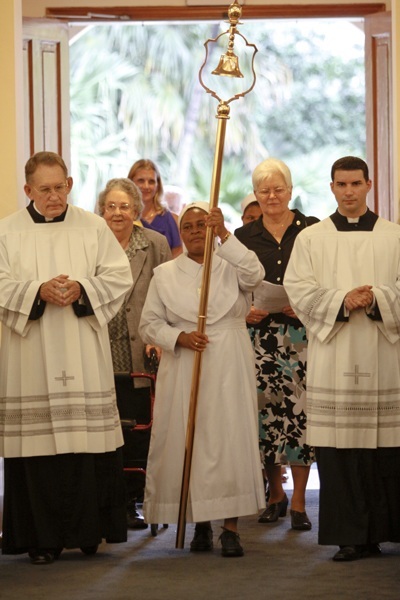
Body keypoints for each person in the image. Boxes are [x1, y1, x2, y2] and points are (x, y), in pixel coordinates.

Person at [0, 151, 133, 565]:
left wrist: (81, 289)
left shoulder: (93, 227)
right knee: (38, 452)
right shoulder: (7, 232)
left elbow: (118, 276)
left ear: (70, 185)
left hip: (81, 351)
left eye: (61, 187)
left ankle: (90, 532)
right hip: (30, 354)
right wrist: (36, 291)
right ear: (28, 190)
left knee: (86, 445)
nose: (55, 196)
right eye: (45, 189)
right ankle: (42, 539)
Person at [284, 155, 400, 561]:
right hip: (334, 355)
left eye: (356, 184)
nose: (349, 192)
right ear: (331, 188)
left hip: (383, 355)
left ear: (369, 185)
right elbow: (296, 288)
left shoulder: (393, 235)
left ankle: (383, 532)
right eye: (341, 184)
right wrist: (341, 299)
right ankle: (350, 536)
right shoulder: (312, 238)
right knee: (341, 451)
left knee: (384, 448)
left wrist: (378, 299)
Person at [139, 201, 266, 557]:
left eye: (203, 225)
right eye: (189, 227)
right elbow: (148, 324)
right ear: (181, 233)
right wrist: (178, 338)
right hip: (184, 362)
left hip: (227, 357)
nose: (196, 231)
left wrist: (225, 233)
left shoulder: (231, 263)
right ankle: (199, 523)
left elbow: (255, 276)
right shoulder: (164, 274)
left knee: (228, 439)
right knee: (188, 437)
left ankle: (230, 528)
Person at [235, 158, 318, 532]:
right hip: (259, 336)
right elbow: (230, 287)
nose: (272, 196)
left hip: (302, 335)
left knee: (300, 416)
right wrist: (244, 310)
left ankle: (299, 500)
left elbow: (324, 279)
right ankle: (275, 494)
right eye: (264, 190)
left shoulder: (313, 230)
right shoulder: (243, 237)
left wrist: (306, 305)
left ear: (290, 190)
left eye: (278, 189)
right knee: (264, 417)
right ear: (255, 194)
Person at [98, 177, 172, 529]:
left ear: (136, 210)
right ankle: (104, 502)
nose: (117, 213)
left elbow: (166, 293)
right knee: (104, 428)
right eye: (110, 206)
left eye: (124, 206)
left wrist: (161, 335)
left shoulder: (155, 243)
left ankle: (131, 501)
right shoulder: (91, 243)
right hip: (99, 350)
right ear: (102, 210)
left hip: (141, 351)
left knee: (137, 428)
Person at [128, 159, 182, 258]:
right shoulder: (123, 216)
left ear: (158, 186)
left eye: (151, 181)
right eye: (141, 181)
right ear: (130, 183)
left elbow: (177, 254)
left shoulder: (171, 220)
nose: (146, 186)